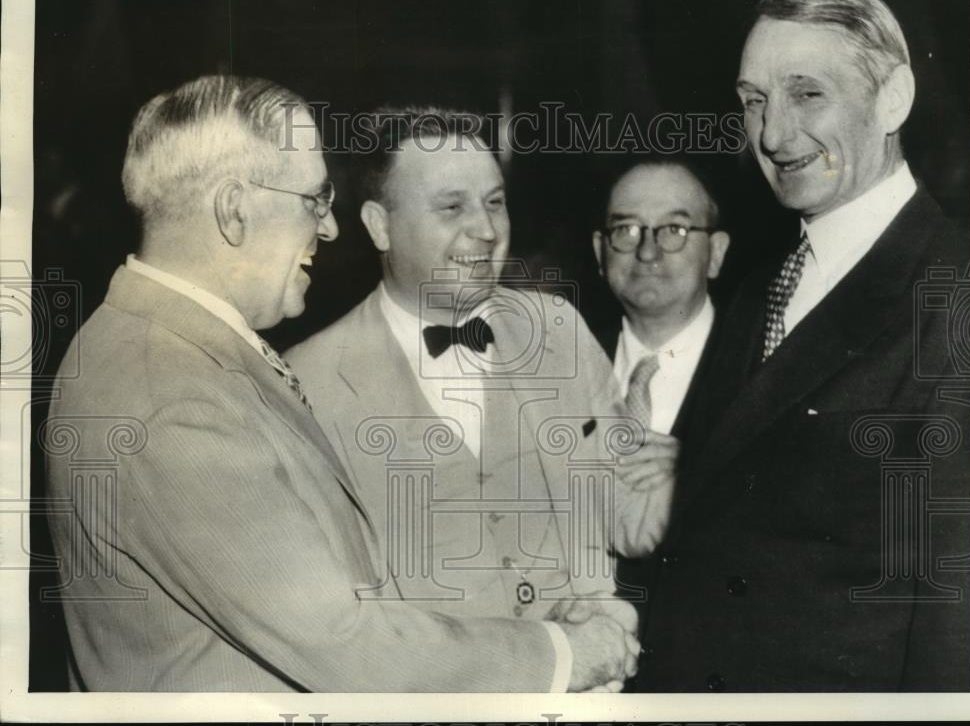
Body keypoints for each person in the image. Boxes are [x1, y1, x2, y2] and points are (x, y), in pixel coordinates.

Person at [44, 76, 638, 692]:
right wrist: (563, 653)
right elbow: (343, 641)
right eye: (313, 199)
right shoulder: (171, 395)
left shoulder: (169, 353)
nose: (328, 229)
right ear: (233, 209)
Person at [634, 0, 970, 692]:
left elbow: (957, 627)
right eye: (753, 99)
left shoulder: (964, 296)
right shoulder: (764, 284)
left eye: (806, 94)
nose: (773, 135)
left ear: (893, 99)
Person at [285, 108, 675, 647]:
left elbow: (627, 519)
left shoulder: (558, 328)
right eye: (452, 207)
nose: (488, 230)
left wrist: (681, 465)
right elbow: (332, 619)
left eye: (495, 203)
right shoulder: (307, 385)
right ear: (380, 225)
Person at [591, 159, 729, 636]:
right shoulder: (558, 364)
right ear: (599, 250)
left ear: (715, 253)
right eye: (626, 229)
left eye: (674, 229)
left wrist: (704, 479)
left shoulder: (761, 370)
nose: (648, 251)